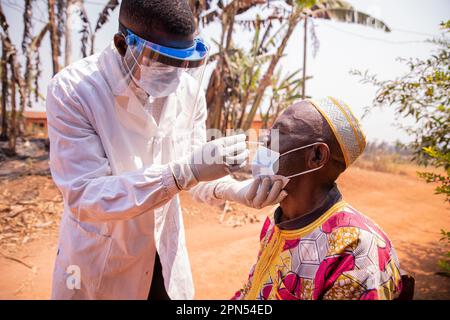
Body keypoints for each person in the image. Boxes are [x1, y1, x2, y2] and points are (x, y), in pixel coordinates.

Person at [47, 0, 287, 300]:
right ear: (123, 44)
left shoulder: (188, 91)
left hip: (163, 257)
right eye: (161, 61)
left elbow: (198, 172)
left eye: (182, 62)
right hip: (102, 263)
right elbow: (86, 197)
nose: (174, 74)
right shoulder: (74, 91)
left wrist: (235, 190)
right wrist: (182, 172)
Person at [233, 97, 403, 300]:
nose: (266, 140)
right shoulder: (276, 221)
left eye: (280, 133)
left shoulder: (356, 250)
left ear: (316, 156)